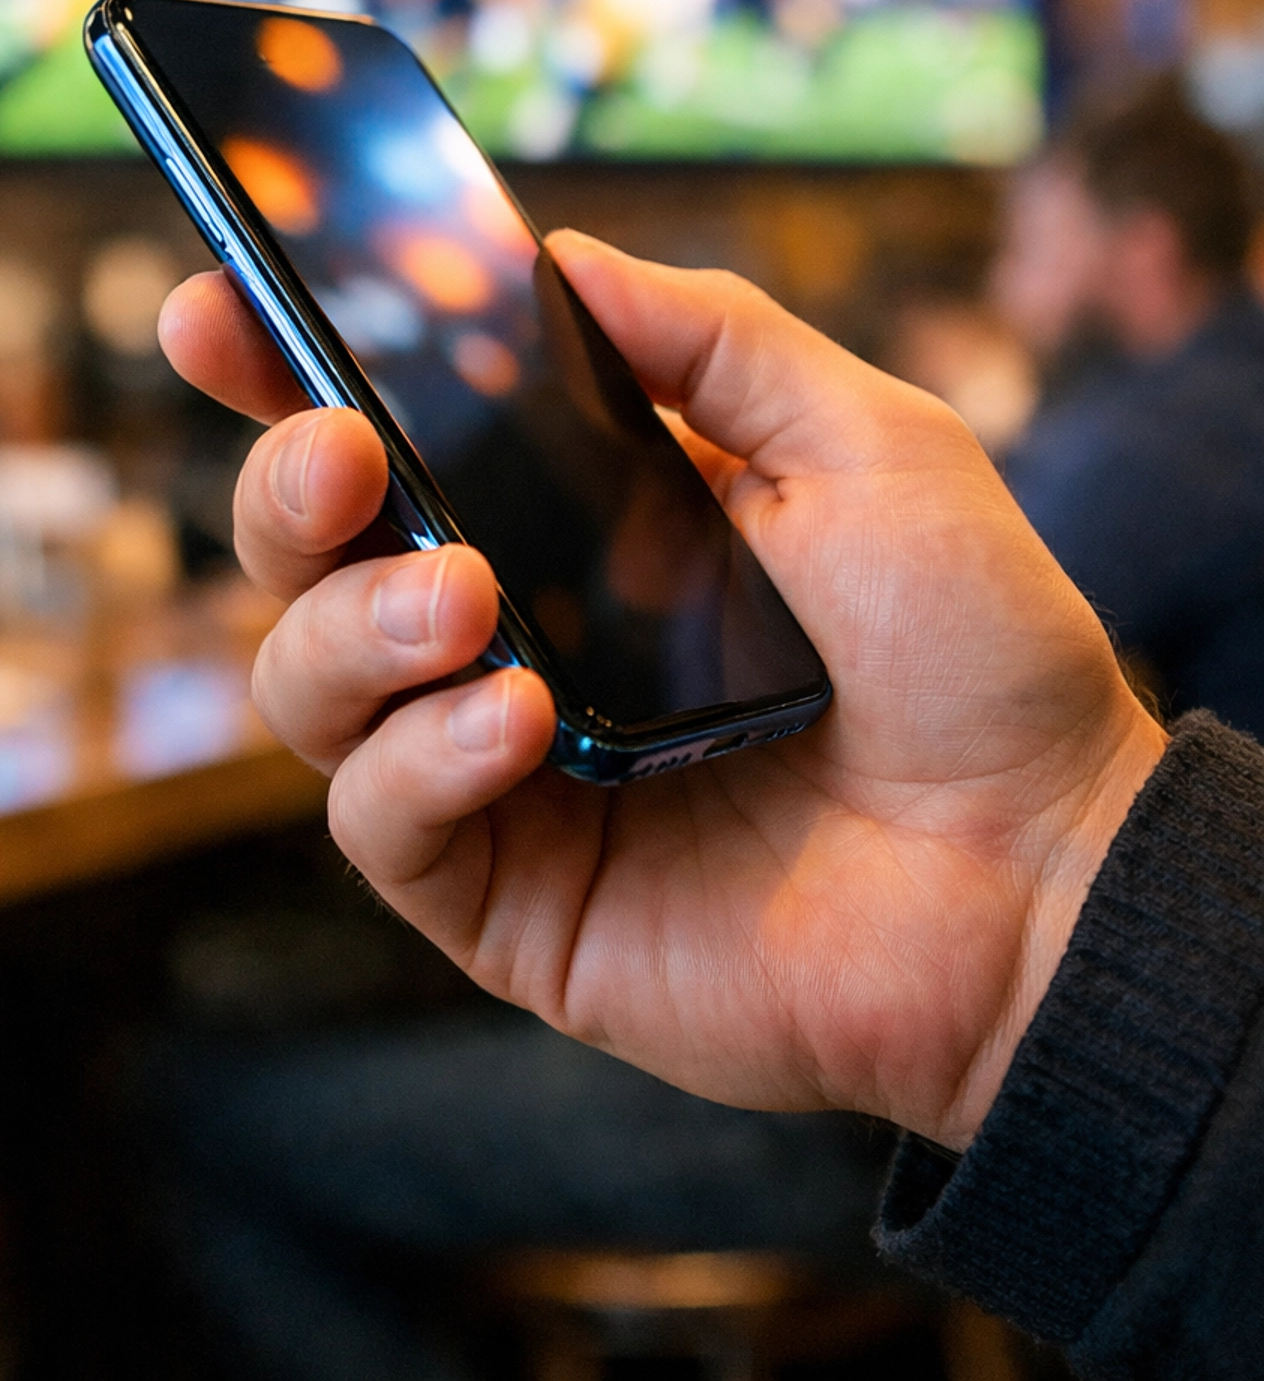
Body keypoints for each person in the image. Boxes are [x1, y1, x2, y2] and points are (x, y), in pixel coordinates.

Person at [156, 228, 1264, 1380]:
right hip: (927, 1072)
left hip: (831, 1142)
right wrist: (1029, 937)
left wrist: (1029, 938)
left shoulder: (1154, 441)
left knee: (199, 1106)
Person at [993, 80, 1264, 738]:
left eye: (1036, 248)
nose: (1006, 288)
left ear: (1145, 246)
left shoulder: (1173, 437)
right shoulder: (1229, 370)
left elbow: (978, 630)